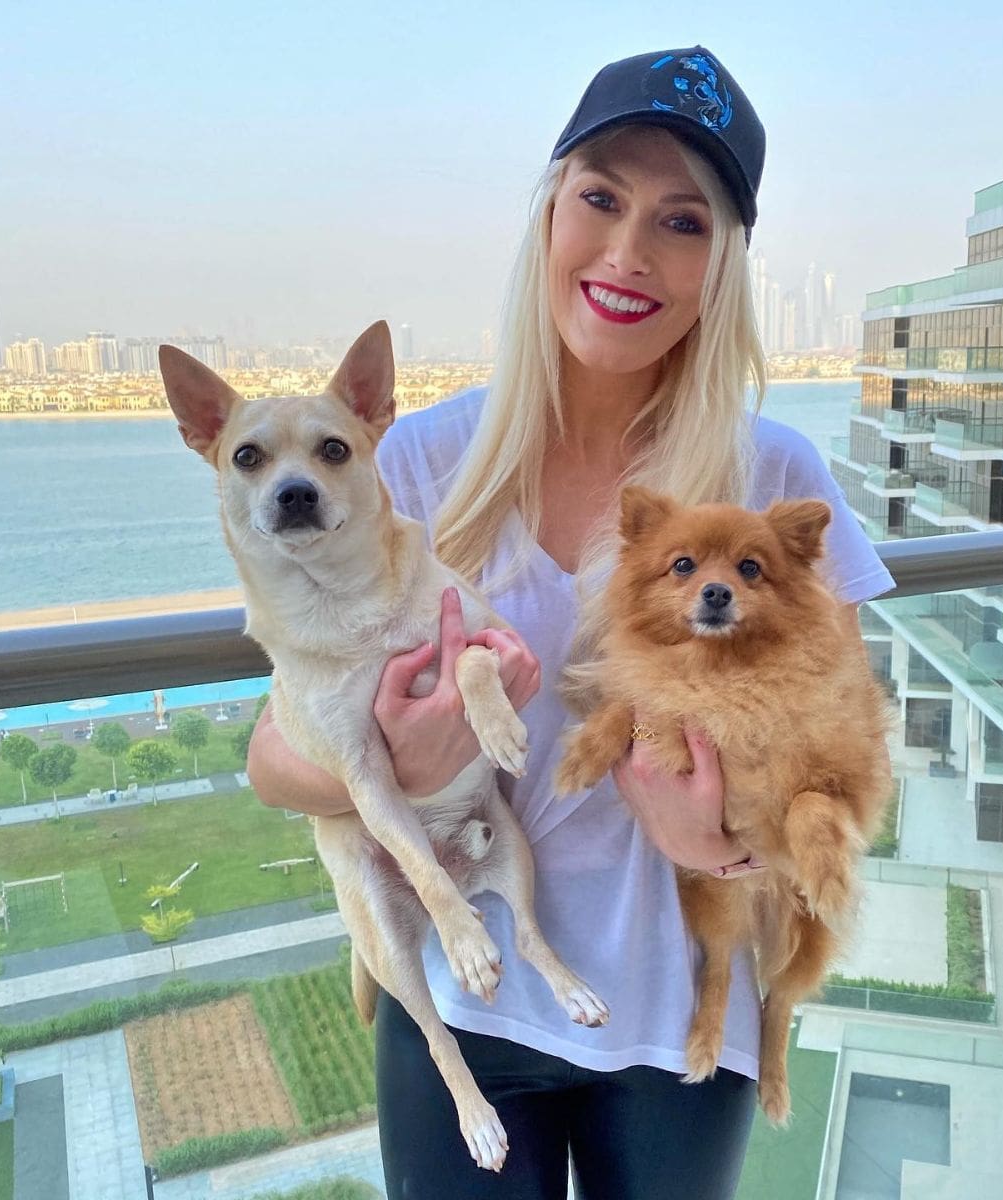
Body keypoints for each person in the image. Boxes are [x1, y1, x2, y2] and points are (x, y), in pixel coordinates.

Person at [248, 45, 894, 1200]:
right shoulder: (413, 464)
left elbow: (848, 754)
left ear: (723, 268)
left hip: (681, 1011)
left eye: (683, 223)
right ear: (549, 213)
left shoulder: (771, 477)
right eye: (601, 197)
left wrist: (724, 837)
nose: (629, 253)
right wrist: (388, 760)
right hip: (464, 986)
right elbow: (275, 756)